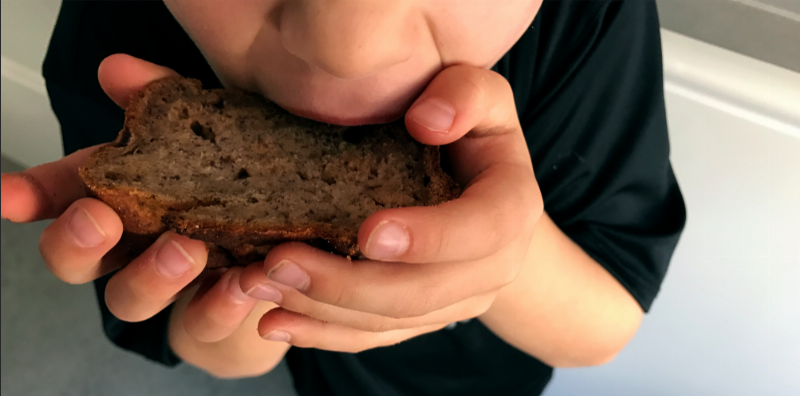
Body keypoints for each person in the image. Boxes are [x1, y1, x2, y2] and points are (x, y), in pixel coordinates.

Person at [0, 0, 686, 395]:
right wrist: (240, 292)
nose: (349, 49)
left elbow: (604, 322)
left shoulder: (587, 18)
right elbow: (213, 350)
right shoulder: (120, 34)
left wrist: (506, 237)